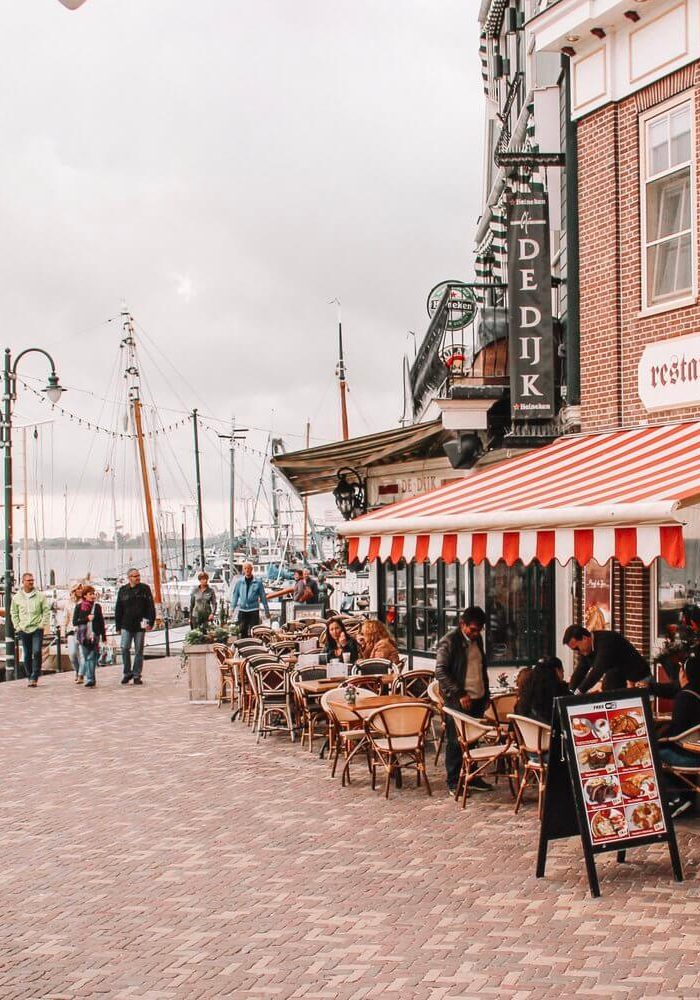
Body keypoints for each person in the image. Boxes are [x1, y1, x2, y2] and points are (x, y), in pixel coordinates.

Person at [435, 606, 491, 795]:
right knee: (456, 741)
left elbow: (481, 667)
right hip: (458, 701)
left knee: (474, 741)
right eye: (473, 629)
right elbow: (441, 671)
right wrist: (459, 693)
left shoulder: (478, 640)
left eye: (479, 629)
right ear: (462, 625)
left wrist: (486, 693)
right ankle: (453, 781)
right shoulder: (449, 642)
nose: (476, 633)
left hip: (478, 697)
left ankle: (472, 776)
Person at [658, 652, 700, 818]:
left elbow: (678, 731)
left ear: (685, 674)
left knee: (652, 753)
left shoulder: (685, 697)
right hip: (696, 749)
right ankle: (687, 798)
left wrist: (661, 738)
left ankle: (676, 798)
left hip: (692, 756)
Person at [563, 624, 651, 693]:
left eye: (576, 648)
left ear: (584, 638)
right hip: (620, 680)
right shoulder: (587, 649)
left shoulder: (606, 642)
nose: (577, 651)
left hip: (639, 679)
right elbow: (581, 670)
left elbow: (597, 671)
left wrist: (580, 691)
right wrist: (570, 691)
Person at [115, 568, 156, 686]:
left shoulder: (144, 589)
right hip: (126, 624)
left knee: (139, 650)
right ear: (129, 578)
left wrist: (150, 622)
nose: (137, 578)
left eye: (138, 575)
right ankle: (127, 672)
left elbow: (150, 606)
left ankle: (137, 674)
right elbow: (119, 608)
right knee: (124, 648)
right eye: (134, 576)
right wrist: (118, 625)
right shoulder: (123, 590)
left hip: (140, 624)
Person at [11, 572, 50, 687]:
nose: (31, 582)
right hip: (23, 629)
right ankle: (29, 676)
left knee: (37, 651)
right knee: (27, 653)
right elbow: (14, 612)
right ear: (23, 582)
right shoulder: (17, 597)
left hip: (37, 628)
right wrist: (17, 626)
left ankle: (35, 675)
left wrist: (42, 624)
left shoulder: (40, 596)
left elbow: (46, 611)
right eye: (29, 580)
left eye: (32, 580)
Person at [516, 657, 570, 725]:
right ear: (557, 671)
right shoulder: (560, 693)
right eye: (562, 671)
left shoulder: (526, 695)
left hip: (528, 734)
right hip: (551, 733)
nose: (563, 675)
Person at [73, 585, 106, 688]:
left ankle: (90, 678)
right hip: (83, 636)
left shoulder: (97, 607)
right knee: (87, 657)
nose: (92, 596)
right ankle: (91, 678)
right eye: (90, 594)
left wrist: (104, 635)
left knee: (92, 656)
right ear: (85, 596)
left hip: (95, 634)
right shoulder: (79, 607)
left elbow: (101, 621)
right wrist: (86, 618)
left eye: (93, 594)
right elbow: (75, 622)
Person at [230, 561, 270, 638]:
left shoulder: (258, 582)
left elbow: (263, 597)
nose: (247, 570)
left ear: (251, 569)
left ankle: (253, 646)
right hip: (242, 610)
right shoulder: (239, 582)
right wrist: (232, 609)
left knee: (254, 631)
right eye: (245, 568)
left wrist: (266, 611)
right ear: (243, 570)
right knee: (242, 630)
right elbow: (235, 596)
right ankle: (243, 647)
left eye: (248, 568)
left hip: (253, 610)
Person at [62, 583, 84, 682]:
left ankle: (81, 675)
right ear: (73, 590)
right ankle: (77, 670)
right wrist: (63, 632)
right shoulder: (68, 603)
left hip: (83, 630)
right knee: (72, 654)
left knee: (83, 655)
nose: (80, 590)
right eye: (78, 589)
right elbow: (65, 618)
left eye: (81, 588)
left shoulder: (85, 601)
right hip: (71, 630)